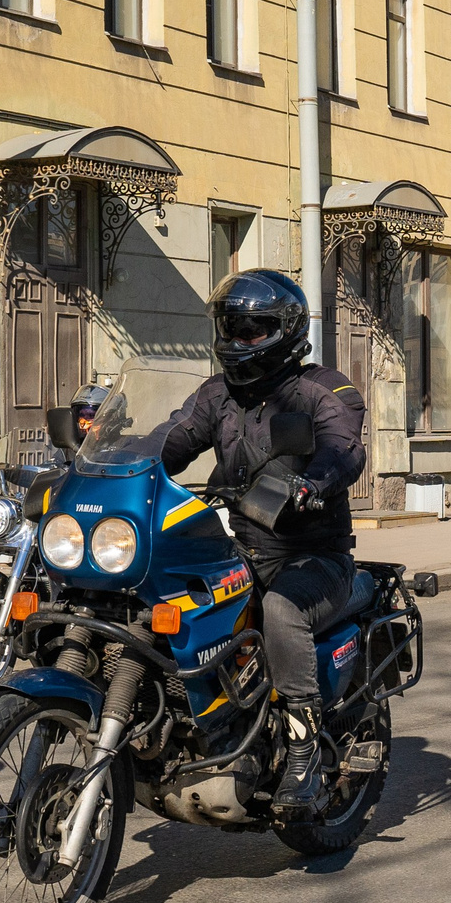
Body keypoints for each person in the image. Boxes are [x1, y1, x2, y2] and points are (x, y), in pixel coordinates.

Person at [158, 271, 367, 816]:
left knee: (279, 611)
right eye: (232, 328)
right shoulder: (215, 396)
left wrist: (313, 483)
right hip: (241, 549)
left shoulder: (324, 389)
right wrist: (114, 468)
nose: (240, 341)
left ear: (287, 331)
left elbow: (343, 450)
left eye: (255, 330)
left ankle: (302, 750)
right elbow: (172, 440)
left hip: (313, 558)